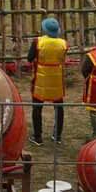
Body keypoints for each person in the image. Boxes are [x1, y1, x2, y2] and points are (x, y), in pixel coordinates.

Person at [28, 17, 66, 145]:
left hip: (41, 77)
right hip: (56, 77)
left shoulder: (38, 41)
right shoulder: (63, 43)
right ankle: (58, 136)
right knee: (59, 107)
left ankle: (37, 137)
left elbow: (30, 57)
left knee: (37, 107)